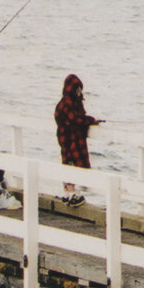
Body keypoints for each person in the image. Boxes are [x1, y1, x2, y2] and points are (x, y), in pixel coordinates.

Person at [54, 74, 102, 207]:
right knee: (72, 164)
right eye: (77, 89)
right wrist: (91, 120)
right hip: (70, 139)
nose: (80, 92)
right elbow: (76, 119)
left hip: (68, 138)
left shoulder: (71, 102)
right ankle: (71, 193)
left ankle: (69, 193)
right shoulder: (68, 103)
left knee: (69, 164)